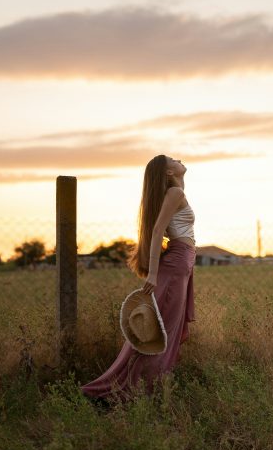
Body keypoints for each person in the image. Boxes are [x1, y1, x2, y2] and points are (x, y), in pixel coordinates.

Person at [80, 154, 196, 401]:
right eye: (173, 159)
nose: (179, 159)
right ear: (168, 172)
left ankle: (147, 388)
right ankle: (122, 392)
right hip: (175, 266)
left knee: (165, 331)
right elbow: (156, 231)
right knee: (158, 331)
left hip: (181, 265)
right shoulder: (174, 194)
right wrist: (153, 273)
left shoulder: (175, 192)